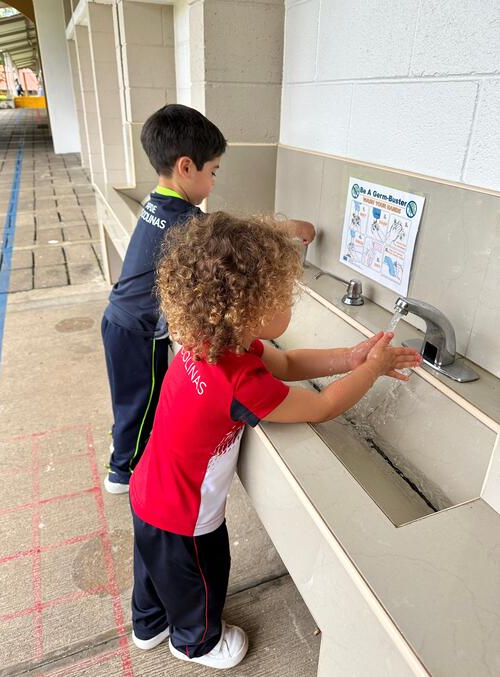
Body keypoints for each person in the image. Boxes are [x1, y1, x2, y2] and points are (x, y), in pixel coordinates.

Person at [128, 212, 422, 669]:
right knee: (200, 577)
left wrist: (349, 357)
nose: (290, 301)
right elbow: (322, 409)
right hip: (186, 515)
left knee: (154, 566)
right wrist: (372, 370)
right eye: (284, 294)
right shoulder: (240, 380)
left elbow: (286, 364)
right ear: (252, 308)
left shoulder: (212, 339)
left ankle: (148, 623)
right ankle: (194, 642)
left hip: (149, 486)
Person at [102, 104, 314, 494]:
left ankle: (125, 454)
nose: (214, 182)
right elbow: (230, 237)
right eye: (212, 171)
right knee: (142, 402)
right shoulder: (185, 222)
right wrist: (288, 229)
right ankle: (124, 473)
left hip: (119, 317)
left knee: (132, 397)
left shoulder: (159, 203)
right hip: (139, 328)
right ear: (186, 167)